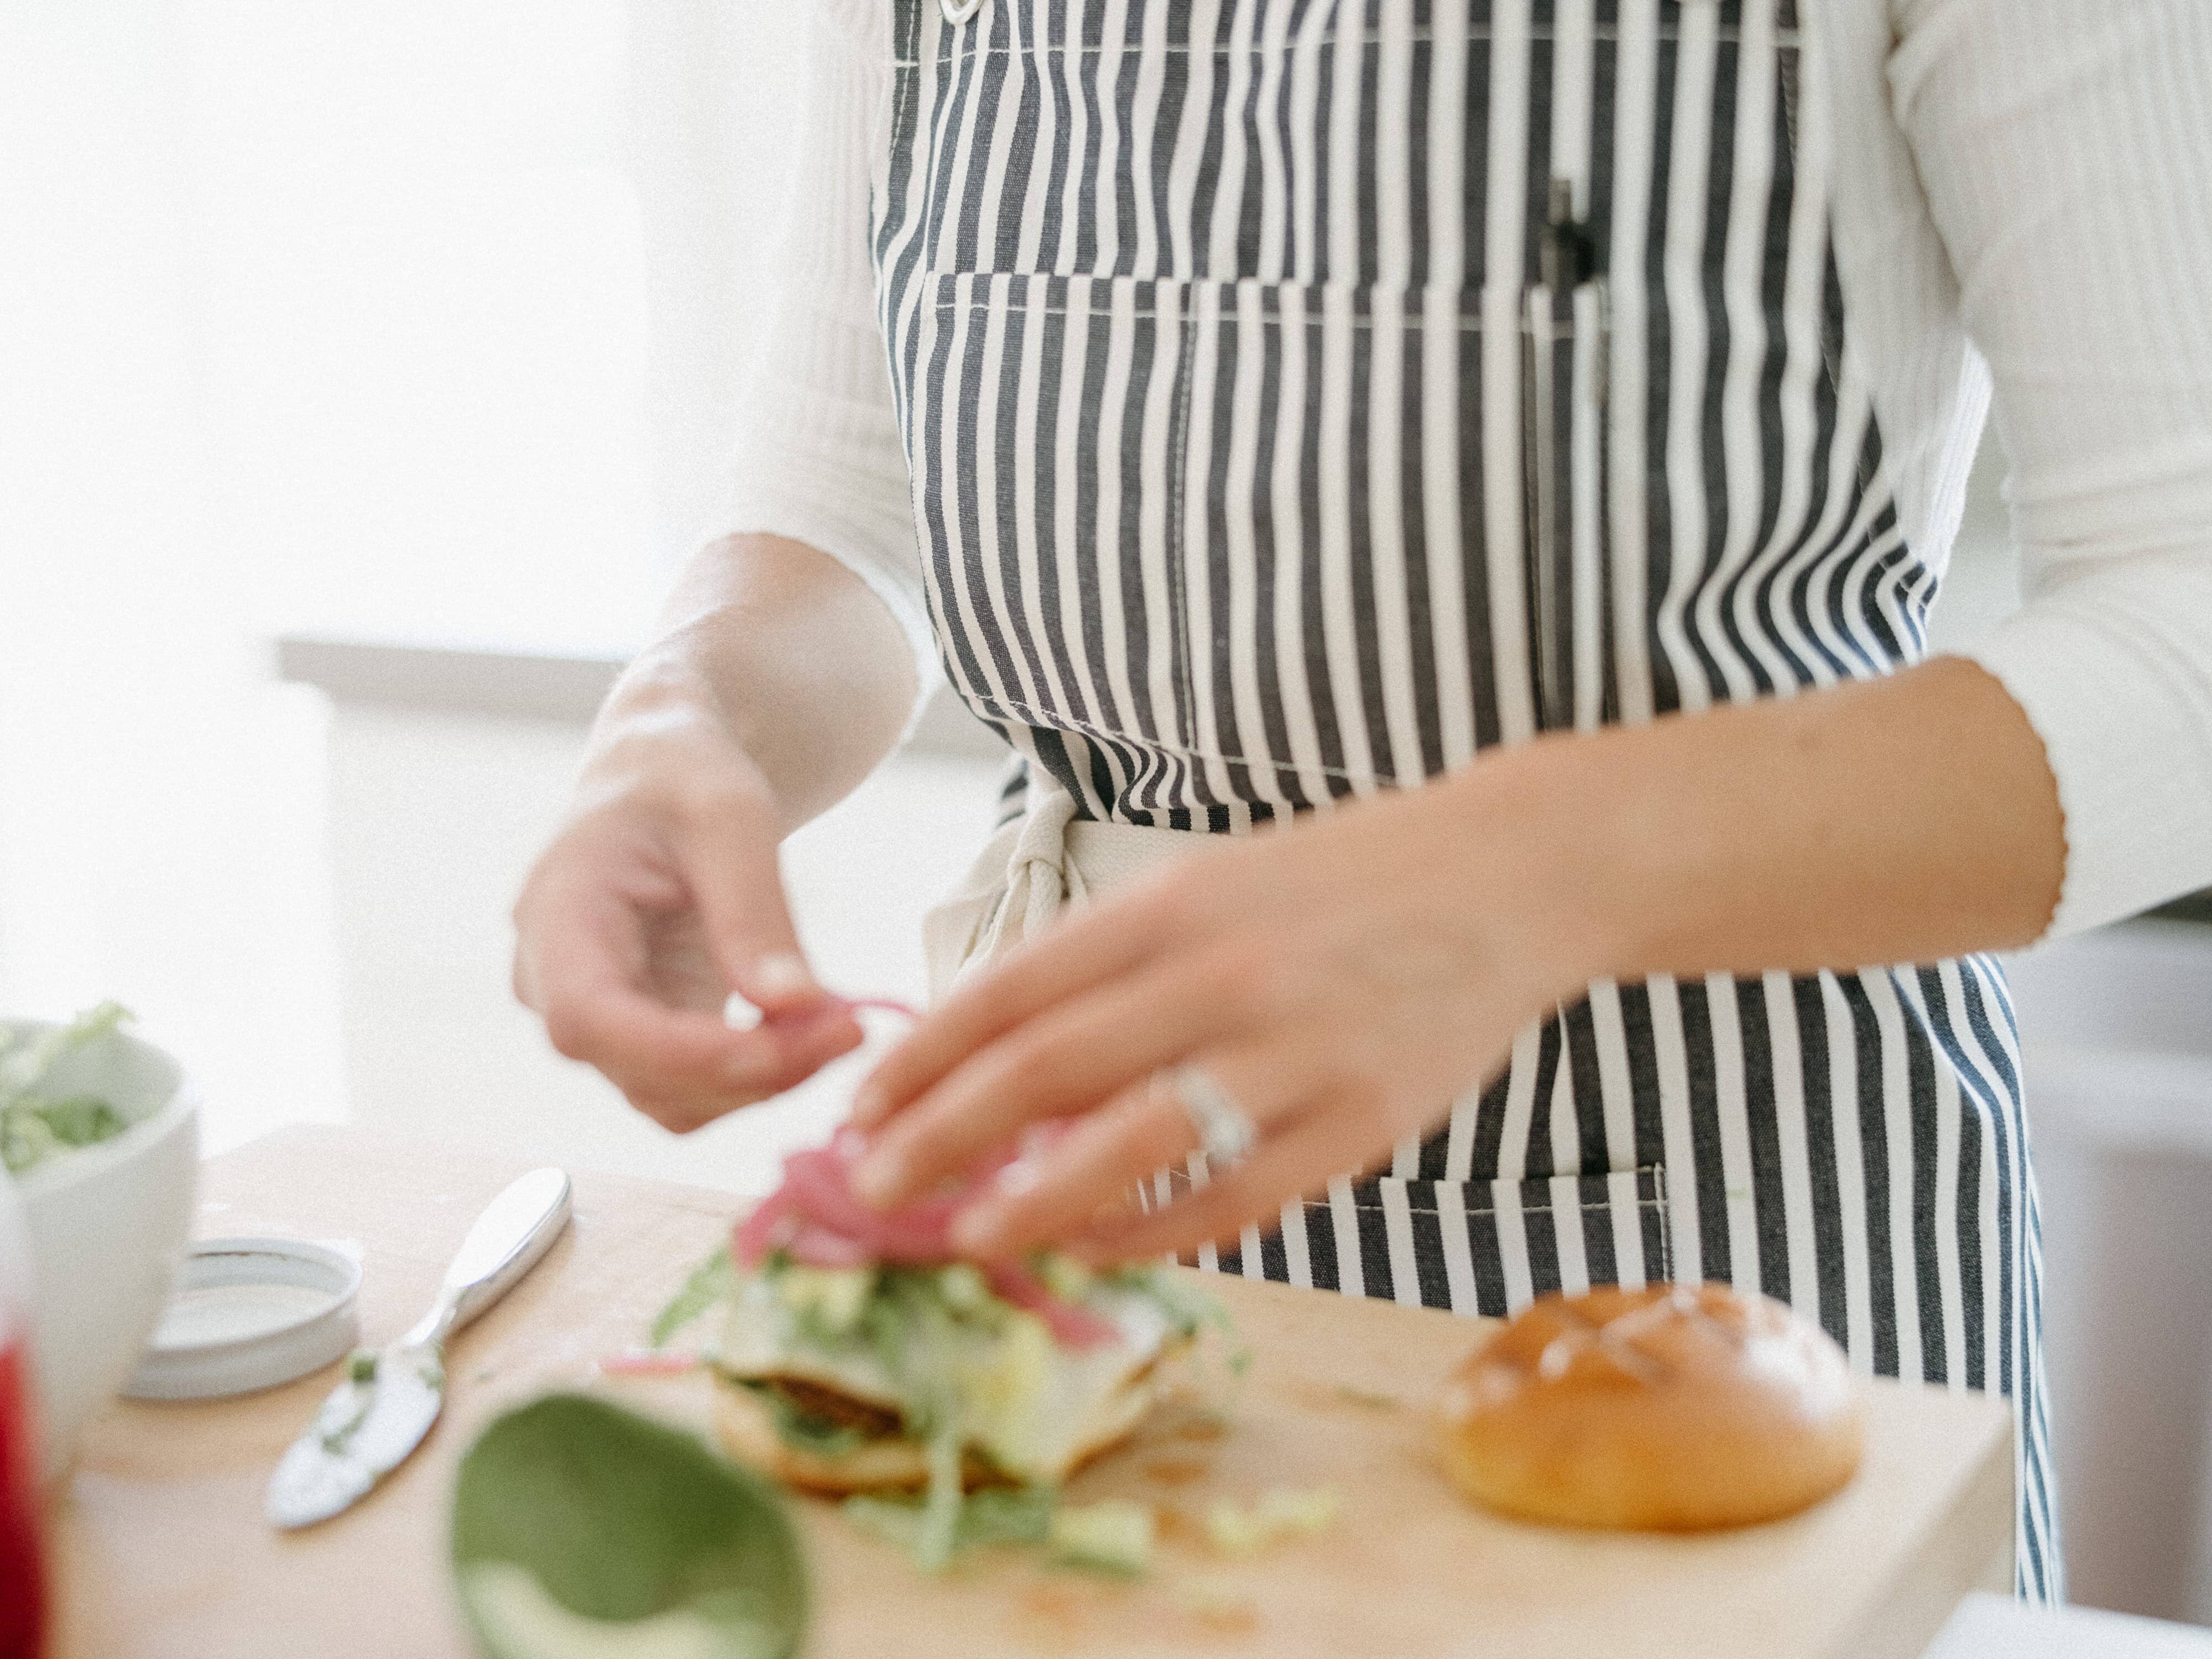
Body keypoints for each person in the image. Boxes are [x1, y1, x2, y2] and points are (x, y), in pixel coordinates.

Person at [513, 0, 2212, 1602]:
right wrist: (689, 716)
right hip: (1080, 1263)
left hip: (1724, 1262)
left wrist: (1521, 876)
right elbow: (841, 496)